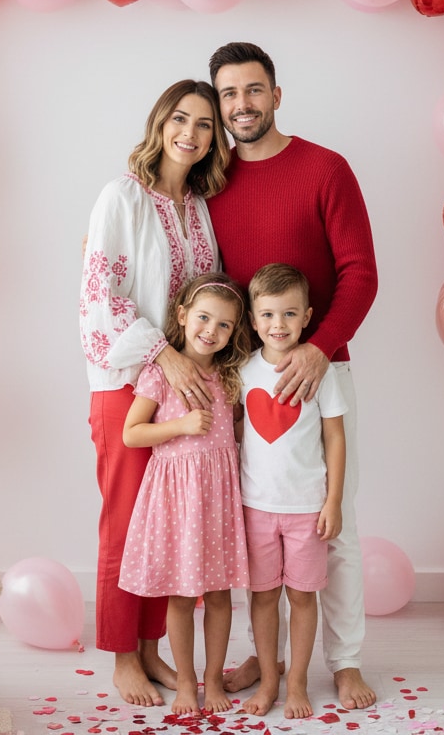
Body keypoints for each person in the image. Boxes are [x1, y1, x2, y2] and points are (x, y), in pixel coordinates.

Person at [205, 41, 378, 711]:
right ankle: (270, 662)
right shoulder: (212, 181)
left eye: (253, 90)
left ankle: (348, 660)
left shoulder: (326, 169)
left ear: (276, 96)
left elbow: (361, 274)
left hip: (320, 371)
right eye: (228, 94)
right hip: (244, 381)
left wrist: (321, 347)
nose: (240, 105)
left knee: (334, 525)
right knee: (258, 526)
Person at [79, 79, 232, 707]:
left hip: (183, 386)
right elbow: (100, 294)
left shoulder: (198, 208)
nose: (190, 133)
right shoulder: (121, 197)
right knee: (124, 520)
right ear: (160, 121)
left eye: (203, 125)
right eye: (181, 119)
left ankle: (150, 650)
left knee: (162, 527)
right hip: (127, 382)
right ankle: (122, 656)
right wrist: (162, 354)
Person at [119, 272, 253, 715]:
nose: (210, 331)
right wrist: (180, 426)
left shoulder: (231, 375)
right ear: (182, 315)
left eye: (224, 325)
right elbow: (132, 433)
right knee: (180, 596)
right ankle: (185, 686)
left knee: (218, 596)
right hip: (177, 499)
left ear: (235, 332)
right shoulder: (161, 371)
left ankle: (213, 681)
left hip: (216, 499)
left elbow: (238, 430)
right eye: (203, 318)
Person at [237, 264, 347, 719]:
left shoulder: (320, 370)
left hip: (306, 509)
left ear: (307, 317)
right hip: (255, 508)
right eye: (267, 315)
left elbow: (335, 438)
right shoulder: (243, 370)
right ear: (253, 318)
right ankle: (269, 680)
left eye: (288, 314)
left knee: (303, 597)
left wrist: (333, 501)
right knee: (263, 598)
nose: (277, 325)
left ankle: (298, 684)